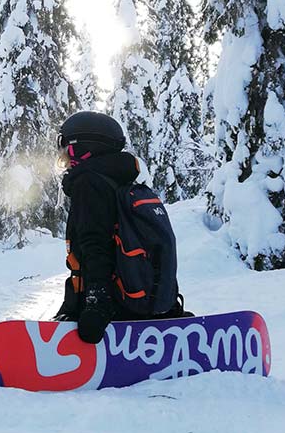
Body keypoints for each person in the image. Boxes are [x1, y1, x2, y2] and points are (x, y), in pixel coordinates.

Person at [54, 110, 190, 344]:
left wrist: (98, 304)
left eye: (65, 147)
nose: (63, 156)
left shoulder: (89, 183)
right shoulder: (123, 179)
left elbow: (95, 245)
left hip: (113, 307)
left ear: (81, 147)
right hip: (136, 299)